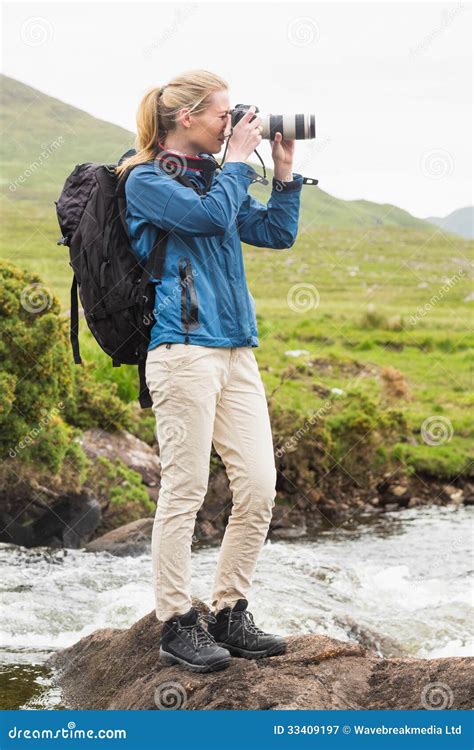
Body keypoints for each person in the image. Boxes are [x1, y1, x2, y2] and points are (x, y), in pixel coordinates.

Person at [118, 69, 303, 673]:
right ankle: (176, 622)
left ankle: (230, 610)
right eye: (224, 114)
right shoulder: (146, 179)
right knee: (186, 489)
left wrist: (281, 172)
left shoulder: (213, 179)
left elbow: (275, 232)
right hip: (183, 351)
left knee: (258, 484)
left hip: (236, 351)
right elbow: (203, 220)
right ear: (187, 118)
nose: (233, 124)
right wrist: (239, 163)